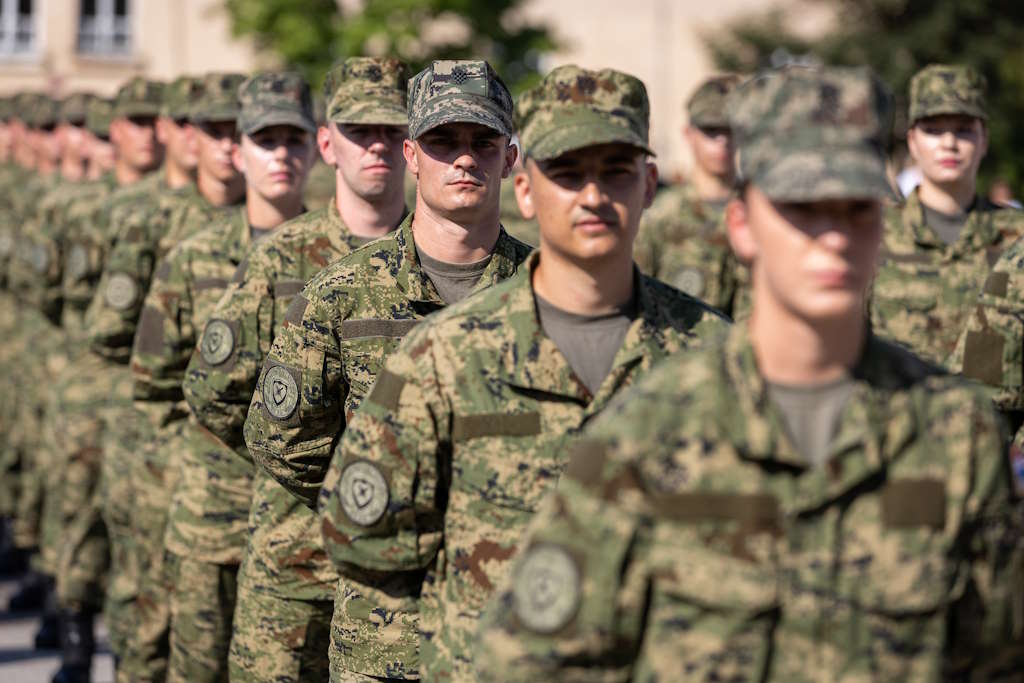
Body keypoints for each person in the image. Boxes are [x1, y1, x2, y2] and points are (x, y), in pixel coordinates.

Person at [475, 64, 1024, 681]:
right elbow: (530, 663)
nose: (833, 238)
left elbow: (994, 663)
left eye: (856, 209)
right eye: (801, 208)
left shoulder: (955, 432)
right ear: (741, 225)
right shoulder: (647, 430)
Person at [318, 64, 730, 681]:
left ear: (648, 183)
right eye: (566, 172)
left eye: (614, 170)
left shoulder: (716, 354)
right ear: (529, 187)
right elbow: (360, 532)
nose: (592, 196)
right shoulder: (447, 353)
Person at [243, 59, 532, 681]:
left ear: (510, 158)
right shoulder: (343, 293)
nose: (463, 159)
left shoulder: (545, 294)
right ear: (411, 154)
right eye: (442, 141)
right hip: (387, 631)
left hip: (515, 629)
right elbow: (280, 436)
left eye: (482, 141)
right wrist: (377, 502)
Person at [181, 56, 411, 682]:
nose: (378, 147)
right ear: (328, 144)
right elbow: (212, 387)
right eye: (362, 131)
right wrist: (303, 467)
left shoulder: (436, 257)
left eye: (393, 131)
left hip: (397, 578)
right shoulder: (287, 252)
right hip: (292, 555)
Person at [132, 71, 318, 683]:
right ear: (237, 151)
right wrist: (183, 472)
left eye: (294, 139)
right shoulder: (193, 256)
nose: (282, 156)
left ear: (316, 146)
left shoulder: (340, 261)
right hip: (212, 515)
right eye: (266, 140)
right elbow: (154, 380)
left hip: (301, 525)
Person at [117, 72, 247, 683]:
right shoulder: (161, 223)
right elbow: (124, 342)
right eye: (214, 131)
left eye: (236, 132)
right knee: (158, 620)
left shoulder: (297, 240)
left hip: (256, 486)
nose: (226, 147)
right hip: (176, 457)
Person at [870, 64, 1024, 366]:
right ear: (912, 141)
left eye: (964, 130)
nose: (949, 143)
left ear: (984, 140)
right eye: (933, 129)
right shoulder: (874, 232)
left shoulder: (1018, 238)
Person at [635, 74, 749, 316]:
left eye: (732, 130)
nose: (722, 141)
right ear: (688, 134)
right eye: (711, 130)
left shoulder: (765, 215)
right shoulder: (660, 219)